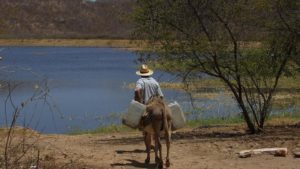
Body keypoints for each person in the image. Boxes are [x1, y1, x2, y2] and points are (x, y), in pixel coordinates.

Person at [134, 64, 164, 153]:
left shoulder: (140, 81)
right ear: (149, 73)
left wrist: (139, 101)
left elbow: (137, 91)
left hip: (146, 107)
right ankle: (156, 146)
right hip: (156, 106)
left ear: (140, 74)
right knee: (157, 129)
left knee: (146, 131)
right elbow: (161, 96)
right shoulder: (155, 81)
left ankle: (148, 149)